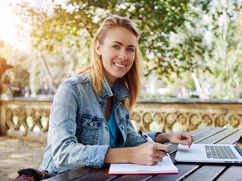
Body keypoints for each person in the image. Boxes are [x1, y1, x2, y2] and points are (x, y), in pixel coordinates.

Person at [39, 14, 193, 176]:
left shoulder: (119, 93)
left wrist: (166, 137)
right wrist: (130, 155)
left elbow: (128, 139)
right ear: (98, 48)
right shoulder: (71, 90)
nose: (124, 56)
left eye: (130, 49)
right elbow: (63, 153)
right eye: (116, 46)